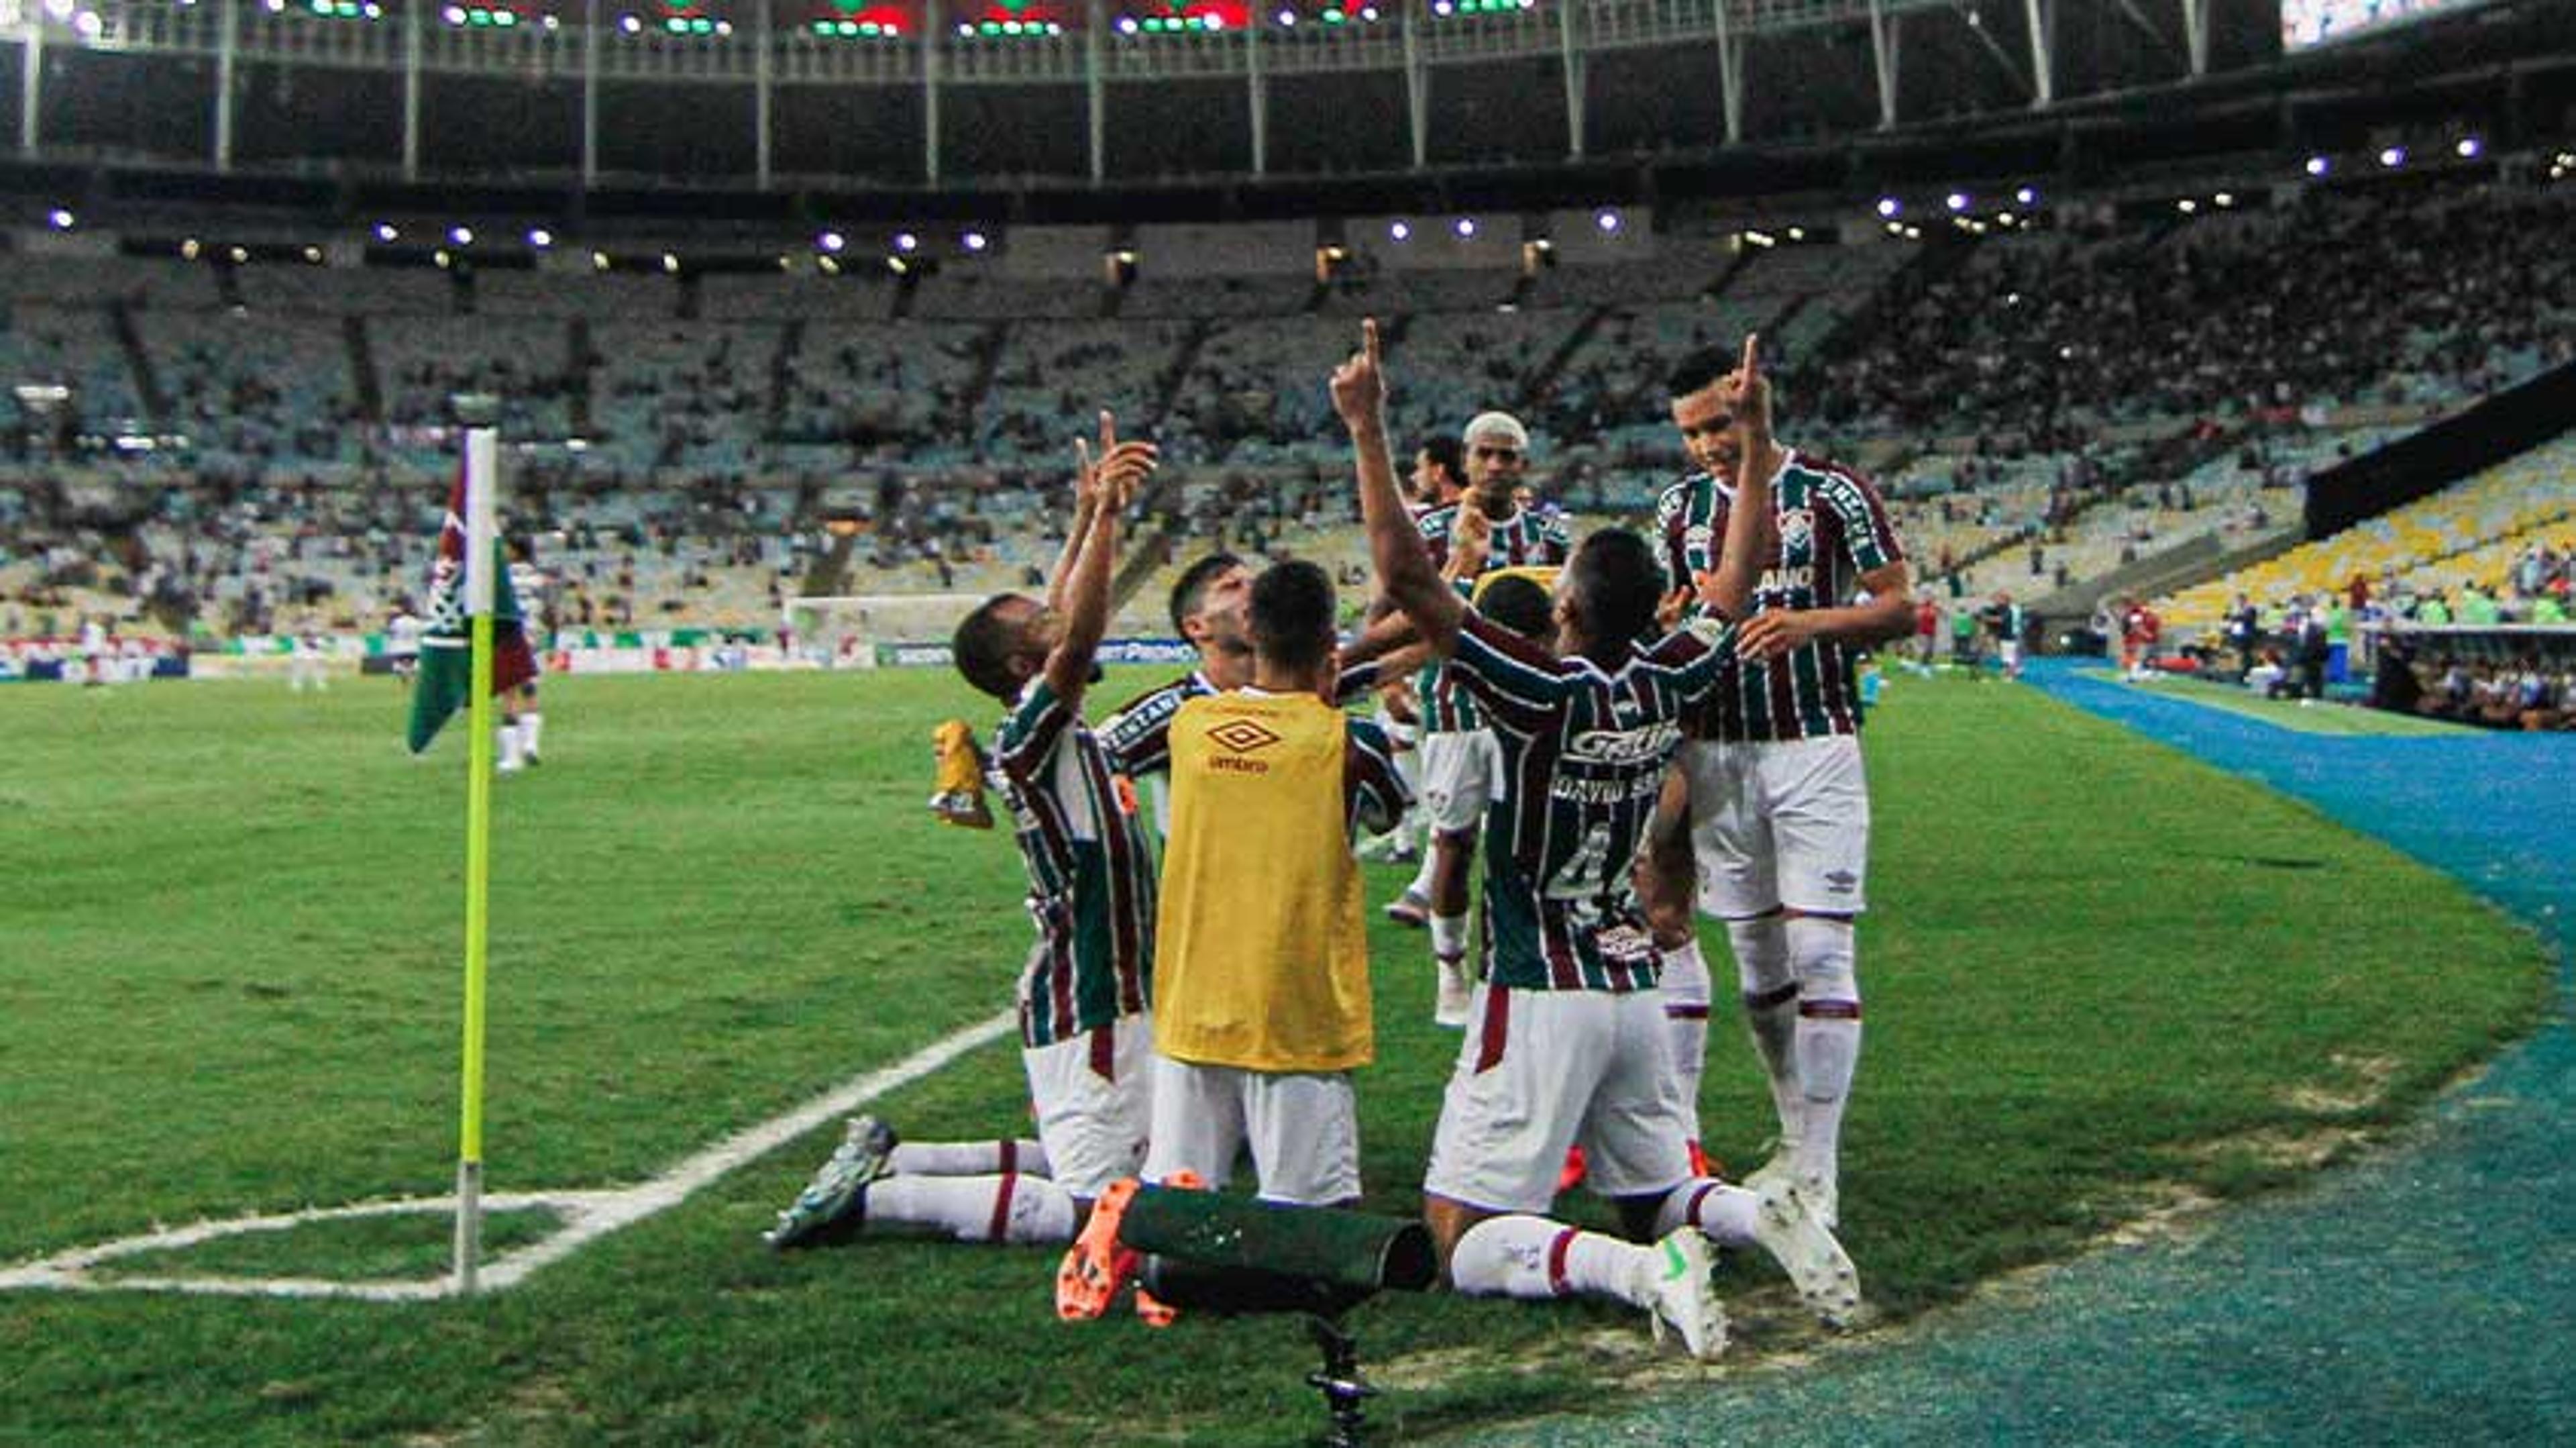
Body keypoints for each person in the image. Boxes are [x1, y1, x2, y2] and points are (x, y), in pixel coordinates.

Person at [1337, 321, 1858, 1359]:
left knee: (1460, 1236)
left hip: (1540, 985)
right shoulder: (1672, 675)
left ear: (1566, 601)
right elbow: (1736, 579)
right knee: (1657, 1187)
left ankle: (1643, 1275)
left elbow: (1406, 577)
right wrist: (1756, 445)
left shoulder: (1538, 688)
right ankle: (1760, 1216)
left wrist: (1367, 428)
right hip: (1634, 984)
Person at [765, 421, 1163, 1251]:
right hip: (1090, 998)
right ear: (1025, 668)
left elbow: (1061, 626)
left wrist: (1089, 515)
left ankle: (897, 1156)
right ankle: (874, 1205)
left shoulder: (1046, 726)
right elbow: (1077, 631)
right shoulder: (1032, 735)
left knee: (1129, 1160)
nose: (1054, 617)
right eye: (1036, 626)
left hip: (1108, 993)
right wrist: (1112, 525)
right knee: (1102, 1215)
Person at [1644, 343, 1912, 1231]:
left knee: (1823, 955)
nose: (1707, 445)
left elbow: (1900, 605)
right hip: (1717, 753)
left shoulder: (1832, 491)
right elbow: (1662, 615)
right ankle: (1793, 1133)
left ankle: (1821, 1167)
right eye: (1691, 433)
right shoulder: (1679, 509)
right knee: (1759, 961)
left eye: (1718, 424)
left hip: (1815, 747)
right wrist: (1671, 616)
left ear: (1751, 403)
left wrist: (1812, 624)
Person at [1144, 561, 1409, 1206]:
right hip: (1294, 1005)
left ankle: (1167, 1281)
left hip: (1193, 996)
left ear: (1252, 633)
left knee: (1182, 1200)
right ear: (1330, 643)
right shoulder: (1352, 743)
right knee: (1316, 1213)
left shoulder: (1187, 727)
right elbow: (1389, 810)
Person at [1390, 411, 1573, 1028]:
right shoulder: (1430, 530)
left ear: (1525, 463)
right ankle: (1450, 974)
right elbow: (1400, 614)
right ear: (1465, 461)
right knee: (1454, 842)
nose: (1496, 466)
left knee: (1536, 842)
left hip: (1529, 711)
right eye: (1485, 454)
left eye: (1509, 456)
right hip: (1455, 708)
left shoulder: (1550, 534)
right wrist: (1462, 568)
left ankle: (1529, 960)